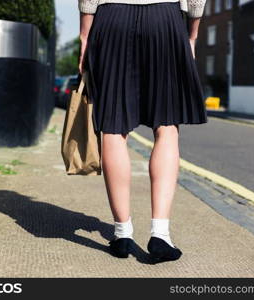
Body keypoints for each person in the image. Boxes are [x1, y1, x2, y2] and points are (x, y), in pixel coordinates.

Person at [78, 0, 208, 263]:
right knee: (167, 127)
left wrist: (84, 36)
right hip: (165, 18)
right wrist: (192, 34)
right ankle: (160, 234)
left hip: (111, 18)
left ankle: (122, 233)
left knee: (113, 128)